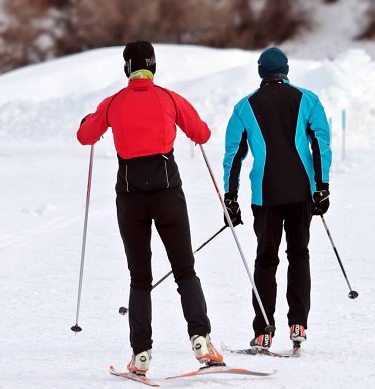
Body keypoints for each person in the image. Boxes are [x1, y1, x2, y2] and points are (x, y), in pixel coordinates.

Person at [76, 41, 223, 375]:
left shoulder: (113, 103)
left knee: (140, 279)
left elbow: (85, 136)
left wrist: (89, 119)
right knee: (185, 269)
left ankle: (140, 355)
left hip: (130, 200)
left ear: (127, 68)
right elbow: (202, 134)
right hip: (168, 195)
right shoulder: (169, 98)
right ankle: (201, 340)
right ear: (153, 67)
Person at [222, 47, 332, 351]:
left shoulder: (245, 107)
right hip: (301, 192)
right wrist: (322, 186)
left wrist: (230, 198)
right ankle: (298, 324)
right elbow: (320, 143)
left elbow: (234, 156)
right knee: (299, 255)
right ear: (286, 70)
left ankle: (263, 331)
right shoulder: (308, 99)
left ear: (261, 72)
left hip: (265, 194)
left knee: (266, 260)